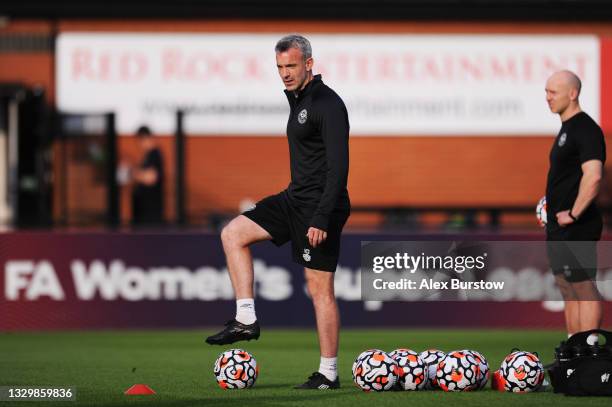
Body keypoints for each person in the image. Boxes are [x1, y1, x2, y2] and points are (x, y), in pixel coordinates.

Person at [205, 34, 350, 390]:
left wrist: (321, 217)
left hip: (319, 208)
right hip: (293, 199)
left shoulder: (327, 104)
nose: (285, 73)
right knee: (232, 233)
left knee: (320, 290)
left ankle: (328, 373)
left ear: (309, 65)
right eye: (280, 67)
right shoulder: (298, 98)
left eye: (291, 66)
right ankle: (246, 319)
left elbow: (339, 168)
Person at [544, 70, 606, 343]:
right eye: (546, 92)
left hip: (577, 225)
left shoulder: (586, 129)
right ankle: (572, 352)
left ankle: (589, 353)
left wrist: (574, 213)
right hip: (559, 226)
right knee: (567, 289)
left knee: (583, 288)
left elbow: (593, 176)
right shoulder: (566, 130)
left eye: (553, 92)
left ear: (573, 93)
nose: (547, 97)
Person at [130, 125, 164, 226]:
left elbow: (151, 177)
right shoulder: (147, 155)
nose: (139, 144)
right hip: (143, 211)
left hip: (150, 213)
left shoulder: (155, 154)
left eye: (140, 140)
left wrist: (134, 174)